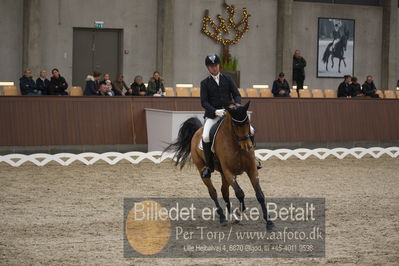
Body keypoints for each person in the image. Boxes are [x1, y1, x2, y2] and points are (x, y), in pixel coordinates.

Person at [200, 54, 259, 179]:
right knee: (205, 136)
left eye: (215, 65)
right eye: (211, 66)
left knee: (251, 130)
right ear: (208, 68)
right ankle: (209, 167)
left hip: (230, 113)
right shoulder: (204, 83)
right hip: (213, 115)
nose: (214, 68)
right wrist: (215, 111)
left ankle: (253, 158)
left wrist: (236, 106)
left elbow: (236, 94)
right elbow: (204, 102)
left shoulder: (228, 78)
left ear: (219, 65)